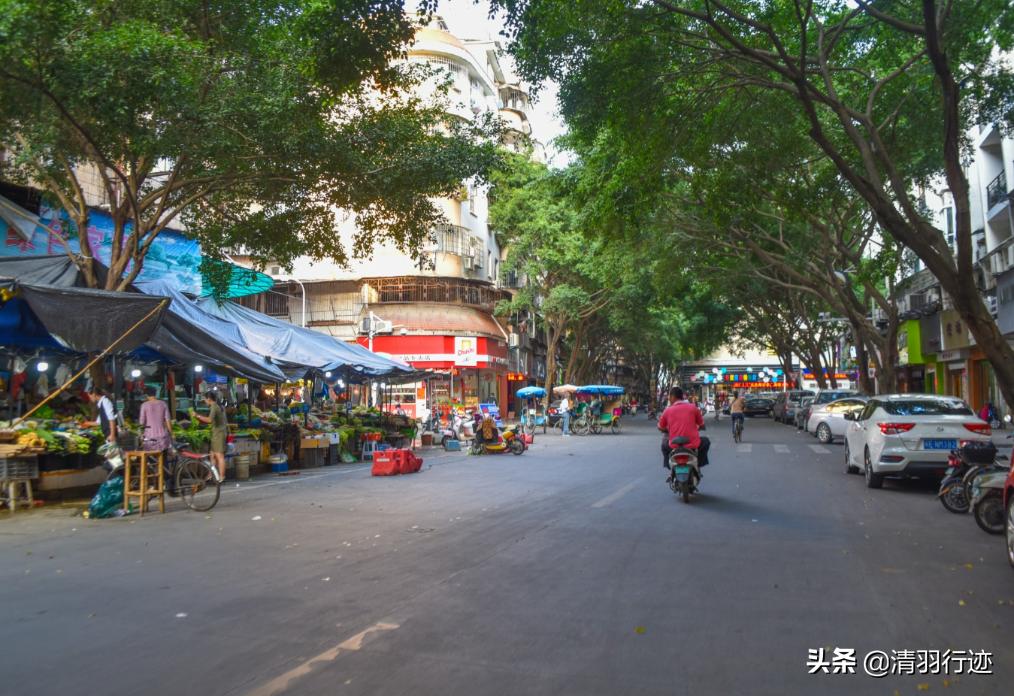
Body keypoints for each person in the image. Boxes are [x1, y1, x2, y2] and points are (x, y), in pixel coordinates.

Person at [657, 386, 710, 475]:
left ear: (673, 396)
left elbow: (660, 427)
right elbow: (702, 425)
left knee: (663, 445)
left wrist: (667, 430)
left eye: (669, 396)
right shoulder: (693, 408)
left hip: (674, 445)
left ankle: (669, 466)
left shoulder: (667, 410)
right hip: (693, 445)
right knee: (706, 441)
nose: (669, 398)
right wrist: (700, 427)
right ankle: (698, 464)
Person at [192, 392, 227, 481]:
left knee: (219, 456)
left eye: (204, 399)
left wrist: (197, 416)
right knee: (212, 455)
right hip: (217, 433)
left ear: (209, 399)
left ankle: (222, 477)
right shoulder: (218, 406)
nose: (204, 401)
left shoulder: (214, 407)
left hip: (218, 434)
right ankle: (210, 474)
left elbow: (209, 420)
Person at [138, 386, 172, 453]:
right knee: (163, 458)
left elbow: (142, 422)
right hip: (162, 437)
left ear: (146, 395)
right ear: (155, 394)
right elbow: (168, 420)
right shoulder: (163, 404)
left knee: (150, 459)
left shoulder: (144, 405)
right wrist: (171, 433)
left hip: (149, 437)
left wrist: (140, 435)